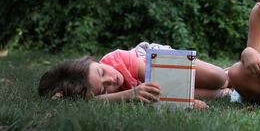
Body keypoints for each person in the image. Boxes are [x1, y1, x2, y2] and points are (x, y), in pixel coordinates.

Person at [38, 42, 231, 109]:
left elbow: (164, 78)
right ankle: (227, 91)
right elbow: (86, 101)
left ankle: (229, 73)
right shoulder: (95, 94)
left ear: (94, 61)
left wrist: (183, 100)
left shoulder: (115, 60)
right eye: (105, 88)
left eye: (102, 72)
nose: (112, 79)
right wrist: (128, 94)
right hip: (154, 85)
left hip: (156, 61)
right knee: (217, 93)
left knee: (219, 79)